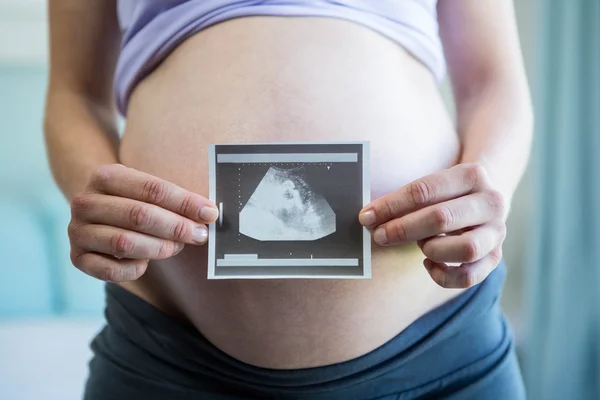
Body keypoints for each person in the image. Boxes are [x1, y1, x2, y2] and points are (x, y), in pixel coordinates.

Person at [44, 1, 533, 399]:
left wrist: (490, 194)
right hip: (166, 353)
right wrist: (92, 189)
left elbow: (493, 84)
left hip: (436, 350)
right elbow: (75, 95)